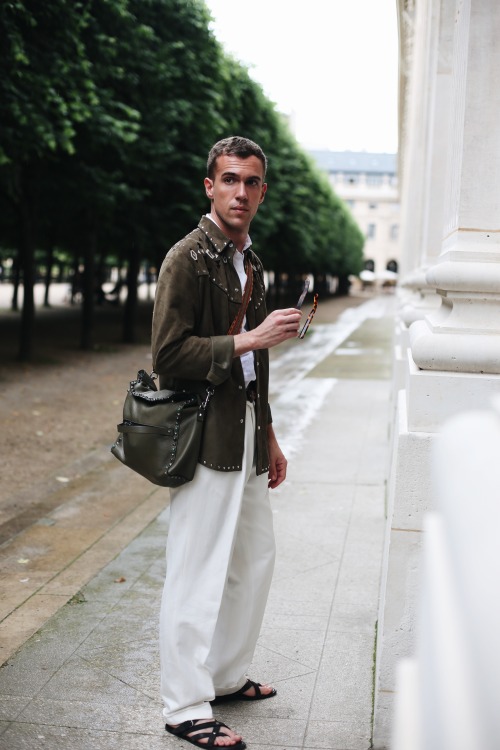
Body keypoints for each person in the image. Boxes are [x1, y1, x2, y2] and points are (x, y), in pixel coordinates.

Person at [151, 136, 302, 749]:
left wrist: (269, 435)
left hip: (244, 433)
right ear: (209, 186)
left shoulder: (252, 263)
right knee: (196, 570)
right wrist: (251, 338)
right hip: (201, 433)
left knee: (254, 560)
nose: (241, 192)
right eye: (230, 180)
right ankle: (184, 705)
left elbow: (255, 369)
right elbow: (167, 355)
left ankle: (224, 674)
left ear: (262, 191)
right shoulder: (187, 259)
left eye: (252, 182)